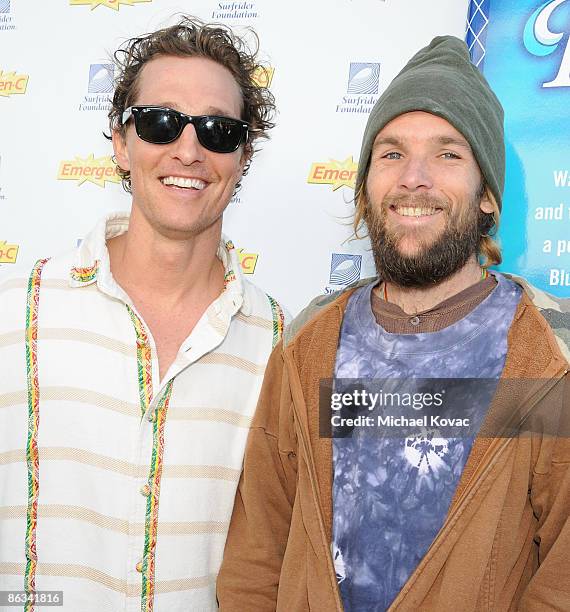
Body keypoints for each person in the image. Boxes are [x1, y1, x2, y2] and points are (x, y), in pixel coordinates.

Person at [217, 36, 570, 611]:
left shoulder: (547, 356)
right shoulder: (311, 343)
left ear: (488, 197)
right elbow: (259, 552)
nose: (415, 178)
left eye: (449, 154)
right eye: (392, 153)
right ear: (364, 189)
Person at [0, 16, 287, 611]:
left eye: (217, 130)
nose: (188, 149)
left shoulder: (283, 344)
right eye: (160, 122)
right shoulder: (13, 314)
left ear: (243, 156)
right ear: (121, 142)